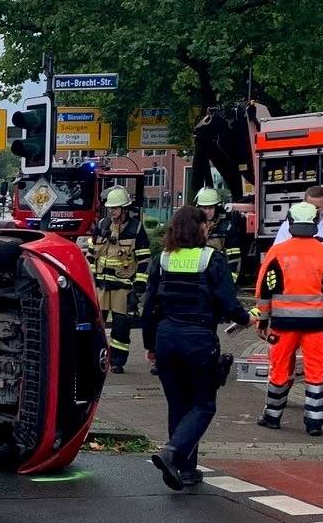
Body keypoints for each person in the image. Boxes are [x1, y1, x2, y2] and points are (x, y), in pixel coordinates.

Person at [141, 206, 251, 490]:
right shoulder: (212, 259)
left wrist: (150, 345)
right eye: (205, 225)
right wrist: (246, 318)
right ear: (199, 228)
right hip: (198, 340)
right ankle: (172, 453)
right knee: (203, 404)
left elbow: (149, 306)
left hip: (166, 338)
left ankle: (185, 470)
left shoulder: (162, 259)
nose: (208, 229)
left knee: (178, 405)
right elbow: (228, 302)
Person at [255, 202, 323, 436]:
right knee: (316, 372)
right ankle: (314, 424)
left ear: (290, 223)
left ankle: (272, 417)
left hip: (283, 325)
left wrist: (262, 320)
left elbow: (264, 290)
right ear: (314, 224)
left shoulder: (277, 252)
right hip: (316, 325)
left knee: (280, 369)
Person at [85, 186, 151, 374]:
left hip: (123, 287)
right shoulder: (103, 225)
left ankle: (117, 362)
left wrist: (139, 284)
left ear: (124, 209)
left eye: (115, 208)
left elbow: (144, 259)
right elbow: (91, 254)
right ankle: (95, 358)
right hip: (102, 286)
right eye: (110, 208)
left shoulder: (135, 228)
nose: (112, 212)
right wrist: (91, 279)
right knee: (97, 325)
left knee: (121, 328)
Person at [272, 185, 323, 282]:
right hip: (294, 281)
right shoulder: (288, 225)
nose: (313, 210)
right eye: (310, 206)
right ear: (304, 203)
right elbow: (276, 256)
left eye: (317, 207)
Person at [196, 187, 250, 280]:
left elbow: (234, 257)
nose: (207, 212)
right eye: (204, 208)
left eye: (211, 208)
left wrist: (230, 282)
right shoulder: (193, 226)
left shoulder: (227, 226)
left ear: (217, 207)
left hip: (219, 272)